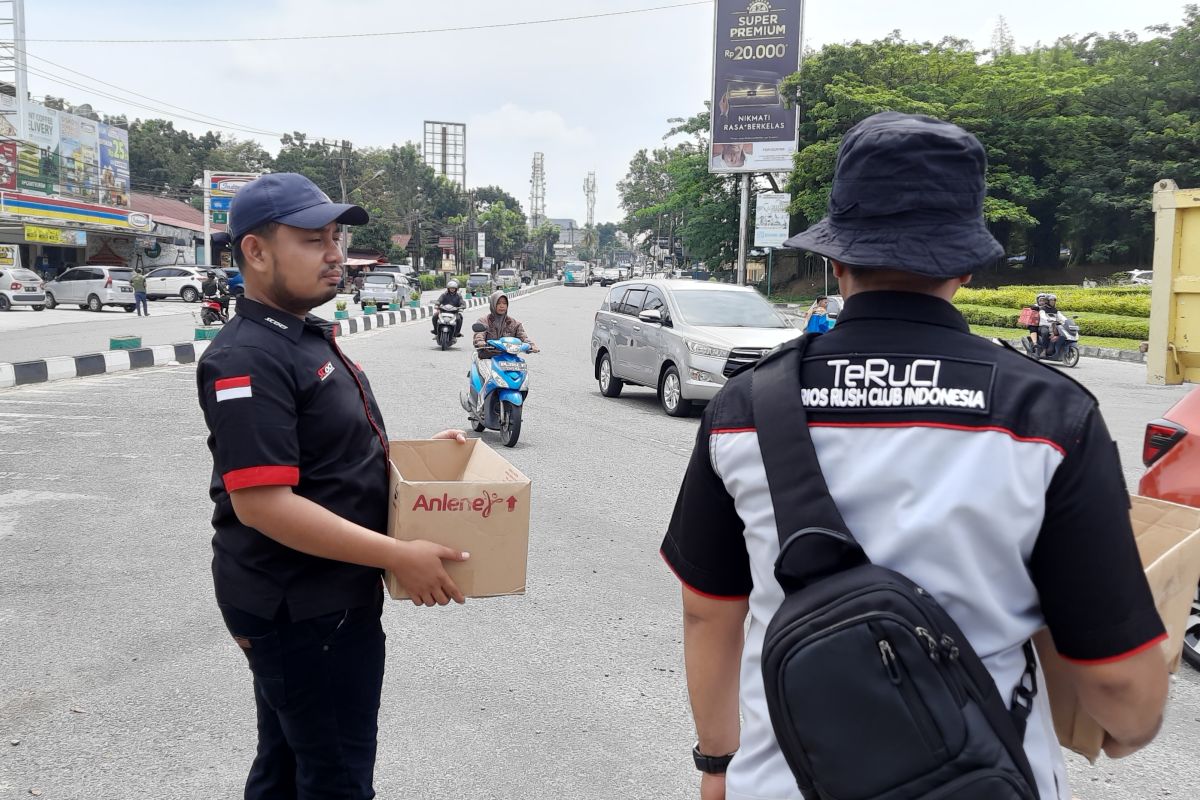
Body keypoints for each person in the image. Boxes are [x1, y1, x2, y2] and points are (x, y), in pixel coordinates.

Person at [661, 112, 1168, 800]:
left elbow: (709, 610)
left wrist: (718, 766)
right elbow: (1118, 687)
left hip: (785, 782)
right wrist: (1128, 726)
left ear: (836, 261)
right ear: (965, 263)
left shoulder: (743, 409)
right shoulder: (1049, 416)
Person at [196, 173, 471, 800]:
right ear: (256, 252)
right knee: (337, 777)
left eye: (336, 238)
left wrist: (423, 457)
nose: (335, 254)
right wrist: (401, 556)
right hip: (303, 609)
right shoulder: (247, 359)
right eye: (313, 240)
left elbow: (326, 456)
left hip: (322, 597)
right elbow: (264, 504)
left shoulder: (296, 337)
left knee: (288, 763)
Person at [472, 290, 539, 354]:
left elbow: (523, 337)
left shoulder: (514, 323)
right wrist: (480, 342)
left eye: (504, 303)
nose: (502, 306)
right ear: (493, 304)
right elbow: (479, 334)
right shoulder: (483, 321)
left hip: (508, 356)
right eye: (498, 303)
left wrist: (531, 345)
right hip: (488, 356)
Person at [1039, 293, 1068, 358]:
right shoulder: (1043, 309)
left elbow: (1062, 317)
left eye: (1054, 300)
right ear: (1047, 301)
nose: (1053, 302)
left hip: (1054, 326)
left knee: (1062, 333)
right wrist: (1048, 319)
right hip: (1044, 326)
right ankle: (1044, 350)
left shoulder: (1055, 310)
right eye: (1051, 300)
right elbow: (1042, 316)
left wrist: (1066, 320)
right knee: (1045, 333)